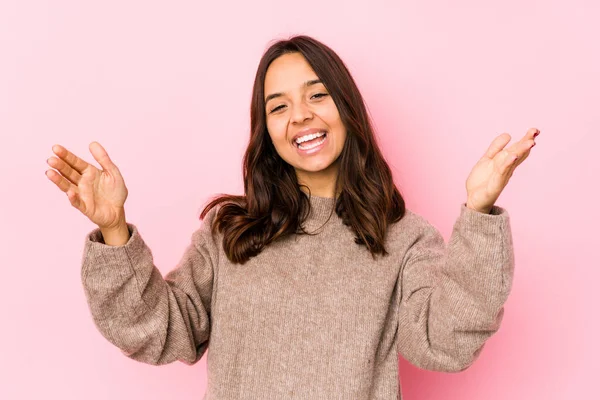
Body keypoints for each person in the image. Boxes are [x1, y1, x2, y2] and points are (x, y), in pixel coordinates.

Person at [45, 35, 539, 399]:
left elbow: (444, 344)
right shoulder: (230, 233)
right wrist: (114, 230)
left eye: (317, 95)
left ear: (347, 108)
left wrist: (477, 212)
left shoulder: (404, 239)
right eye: (278, 106)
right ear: (268, 131)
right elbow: (160, 328)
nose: (300, 115)